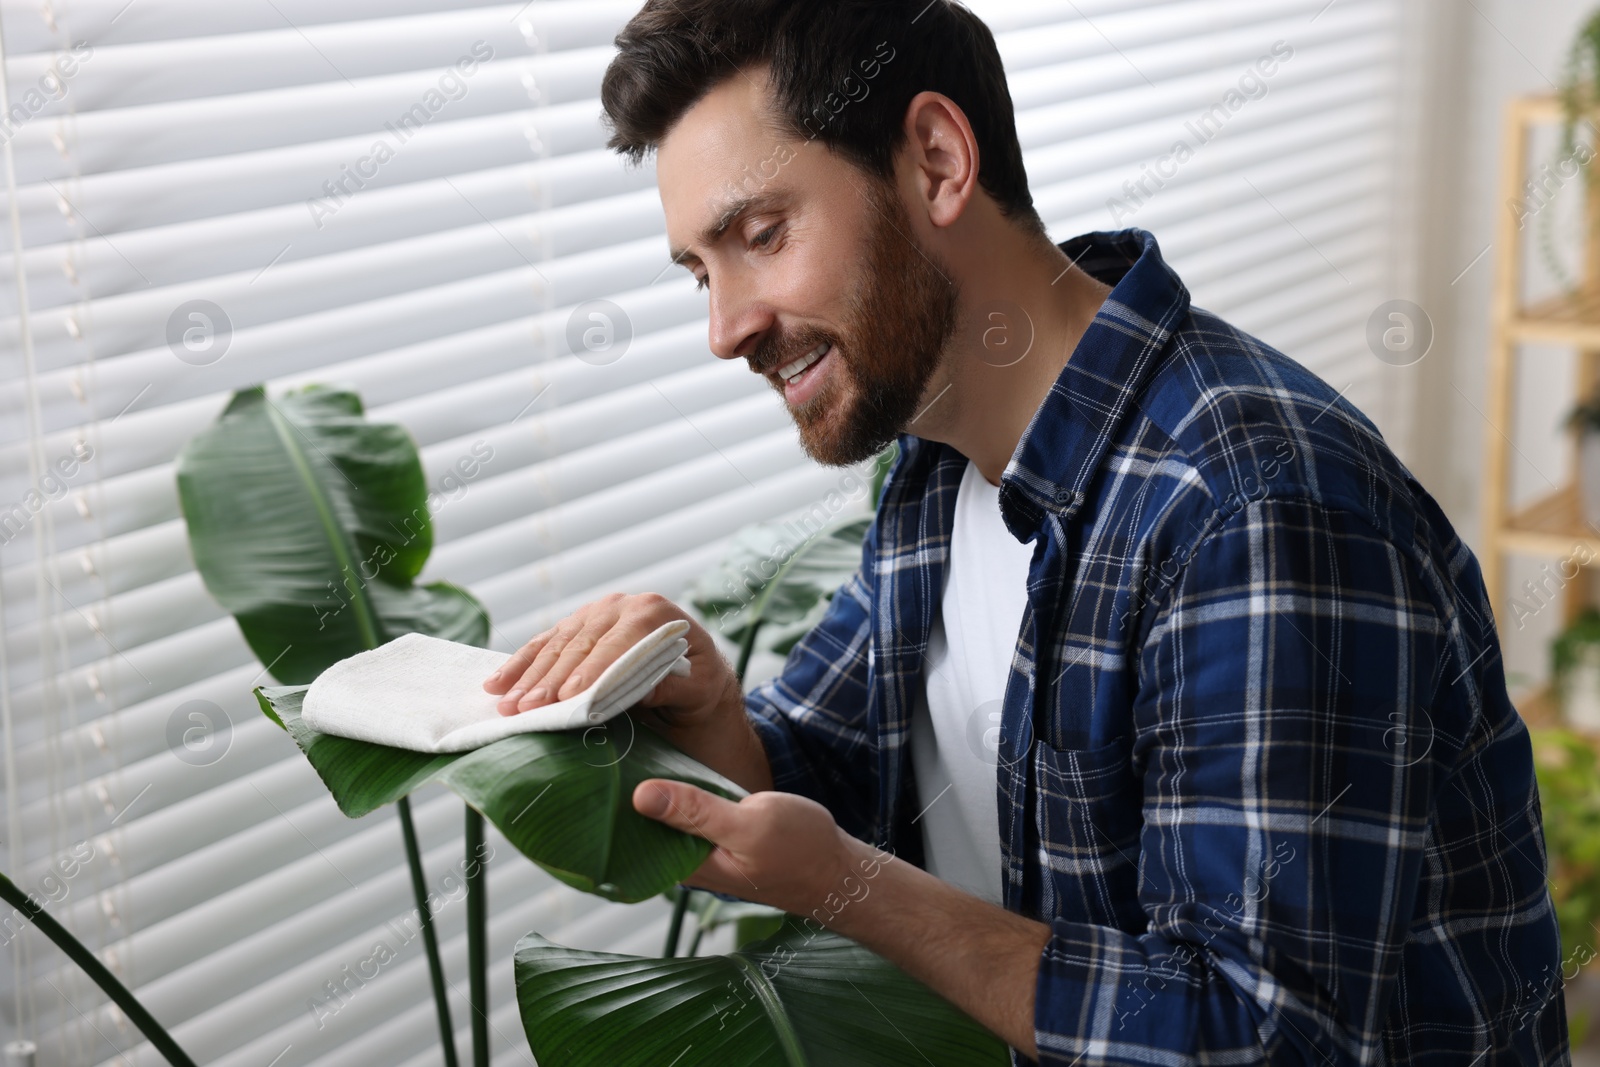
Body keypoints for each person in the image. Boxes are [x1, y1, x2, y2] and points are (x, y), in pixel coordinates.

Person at [481, 1, 1567, 1062]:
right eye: (700, 272)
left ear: (939, 162)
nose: (725, 329)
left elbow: (1260, 1033)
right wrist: (712, 704)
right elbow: (823, 773)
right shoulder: (939, 457)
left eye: (760, 235)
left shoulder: (1249, 507)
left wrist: (852, 887)